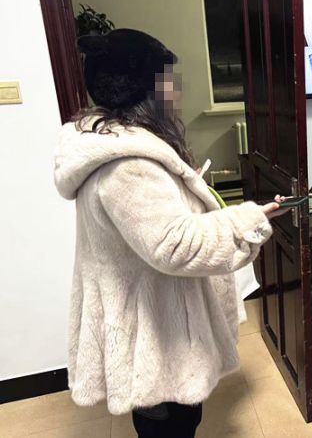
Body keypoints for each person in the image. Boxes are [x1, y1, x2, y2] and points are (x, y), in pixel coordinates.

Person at [54, 29, 286, 438]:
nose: (176, 89)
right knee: (171, 425)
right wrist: (246, 220)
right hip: (153, 335)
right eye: (168, 79)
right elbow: (174, 245)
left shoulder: (113, 142)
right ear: (142, 88)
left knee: (176, 421)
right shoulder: (129, 166)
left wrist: (182, 193)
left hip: (152, 315)